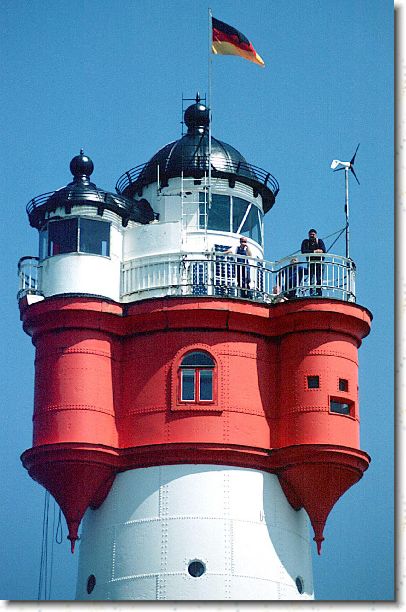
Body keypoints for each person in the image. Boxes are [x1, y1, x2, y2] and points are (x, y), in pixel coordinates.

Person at [301, 229, 326, 296]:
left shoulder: (319, 241)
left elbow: (323, 250)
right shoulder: (306, 242)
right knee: (311, 280)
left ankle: (319, 294)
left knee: (319, 279)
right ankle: (312, 294)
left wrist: (312, 251)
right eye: (311, 234)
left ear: (316, 235)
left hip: (320, 263)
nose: (312, 236)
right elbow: (303, 251)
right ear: (308, 235)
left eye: (313, 234)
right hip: (311, 263)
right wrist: (314, 251)